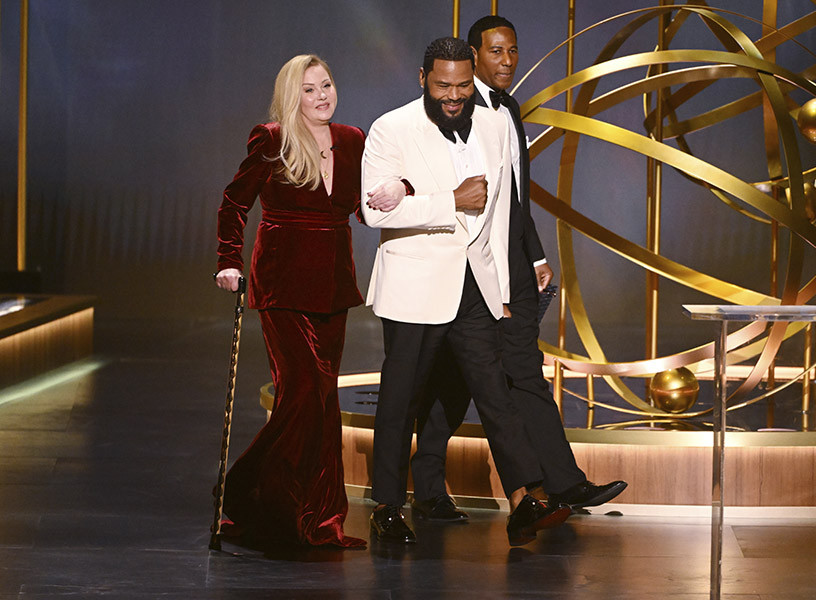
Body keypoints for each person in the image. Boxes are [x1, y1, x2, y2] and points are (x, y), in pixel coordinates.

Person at [409, 16, 628, 523]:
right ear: (472, 54)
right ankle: (432, 486)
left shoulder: (507, 108)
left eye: (513, 51)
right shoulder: (448, 111)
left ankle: (560, 483)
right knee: (455, 378)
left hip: (510, 266)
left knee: (515, 373)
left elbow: (513, 195)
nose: (508, 61)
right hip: (465, 271)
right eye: (496, 51)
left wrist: (532, 254)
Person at [361, 36, 571, 546]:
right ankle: (388, 504)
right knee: (401, 399)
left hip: (475, 287)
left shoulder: (495, 123)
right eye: (442, 86)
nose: (453, 96)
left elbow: (498, 215)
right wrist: (449, 200)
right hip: (415, 286)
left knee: (495, 393)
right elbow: (375, 212)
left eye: (461, 86)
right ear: (422, 79)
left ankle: (524, 501)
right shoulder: (391, 129)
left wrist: (498, 283)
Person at [214, 54, 402, 548]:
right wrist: (227, 259)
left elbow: (363, 210)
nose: (322, 96)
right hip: (281, 283)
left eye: (327, 86)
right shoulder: (271, 138)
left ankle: (319, 518)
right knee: (300, 392)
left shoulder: (352, 139)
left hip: (332, 284)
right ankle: (256, 501)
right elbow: (235, 201)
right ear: (291, 96)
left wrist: (399, 190)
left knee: (322, 402)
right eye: (310, 89)